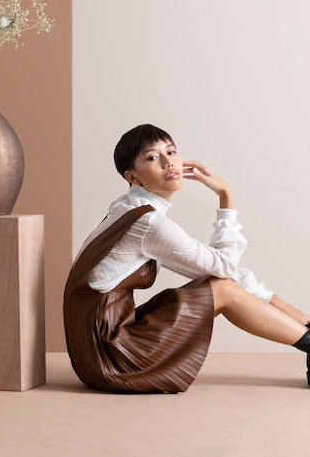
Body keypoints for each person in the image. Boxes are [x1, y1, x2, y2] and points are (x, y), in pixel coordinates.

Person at [64, 124, 310, 393]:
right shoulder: (148, 223)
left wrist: (294, 313)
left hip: (96, 351)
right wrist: (225, 195)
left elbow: (216, 272)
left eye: (171, 151)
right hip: (112, 356)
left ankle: (308, 334)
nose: (169, 162)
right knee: (222, 289)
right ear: (132, 176)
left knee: (217, 285)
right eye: (152, 157)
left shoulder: (129, 208)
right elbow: (225, 267)